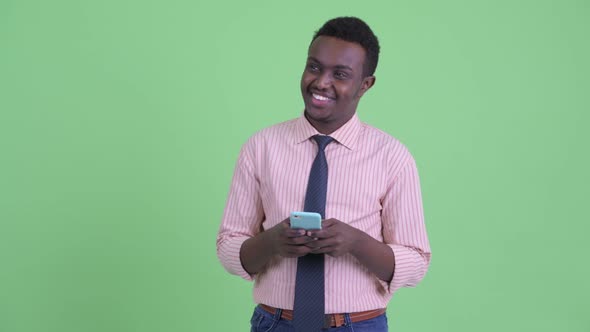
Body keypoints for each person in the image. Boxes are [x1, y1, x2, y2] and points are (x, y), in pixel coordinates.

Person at [217, 16, 431, 332]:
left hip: (358, 325)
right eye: (314, 67)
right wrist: (273, 241)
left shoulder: (392, 157)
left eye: (340, 74)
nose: (321, 82)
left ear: (365, 84)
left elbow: (415, 263)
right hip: (275, 323)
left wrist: (357, 243)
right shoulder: (260, 148)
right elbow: (228, 247)